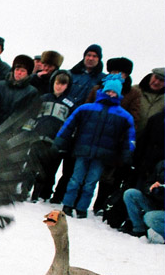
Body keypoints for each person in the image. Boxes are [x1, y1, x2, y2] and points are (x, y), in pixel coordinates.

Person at [56, 75, 136, 219]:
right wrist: (60, 139)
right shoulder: (86, 109)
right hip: (83, 150)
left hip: (103, 156)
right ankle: (68, 204)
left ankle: (82, 208)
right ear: (103, 90)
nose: (110, 94)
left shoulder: (124, 116)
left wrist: (127, 153)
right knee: (75, 179)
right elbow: (69, 125)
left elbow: (129, 137)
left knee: (91, 183)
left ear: (119, 94)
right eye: (108, 91)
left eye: (114, 92)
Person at [50, 44, 106, 203]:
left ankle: (60, 195)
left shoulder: (101, 79)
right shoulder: (72, 74)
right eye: (88, 55)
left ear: (99, 59)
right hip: (64, 121)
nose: (90, 58)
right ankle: (44, 191)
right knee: (54, 158)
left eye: (94, 56)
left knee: (71, 165)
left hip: (84, 127)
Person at [25, 69, 75, 202]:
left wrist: (64, 141)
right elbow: (32, 116)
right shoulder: (43, 98)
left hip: (54, 142)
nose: (59, 86)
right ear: (53, 83)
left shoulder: (70, 104)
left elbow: (71, 125)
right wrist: (28, 132)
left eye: (63, 84)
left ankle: (37, 195)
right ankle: (24, 191)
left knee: (46, 170)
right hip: (37, 138)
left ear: (67, 86)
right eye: (57, 83)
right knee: (30, 167)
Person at [0, 53, 38, 132]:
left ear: (28, 73)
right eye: (17, 70)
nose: (19, 73)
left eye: (22, 71)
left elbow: (28, 115)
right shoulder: (0, 85)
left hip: (12, 131)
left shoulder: (31, 92)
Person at [123, 159, 164, 240]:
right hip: (156, 203)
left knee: (149, 217)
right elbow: (147, 183)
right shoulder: (161, 164)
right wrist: (151, 188)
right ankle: (139, 230)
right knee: (130, 193)